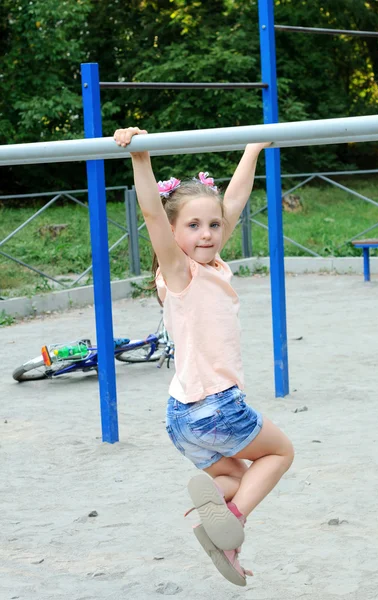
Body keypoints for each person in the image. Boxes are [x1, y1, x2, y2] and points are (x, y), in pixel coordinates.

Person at [113, 127, 294, 587]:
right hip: (217, 406)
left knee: (235, 475)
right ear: (173, 236)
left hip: (180, 416)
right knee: (279, 453)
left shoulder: (212, 263)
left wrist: (252, 149)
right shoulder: (180, 273)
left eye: (213, 225)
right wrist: (141, 157)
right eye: (192, 226)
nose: (209, 233)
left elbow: (231, 201)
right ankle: (234, 518)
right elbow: (153, 213)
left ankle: (215, 518)